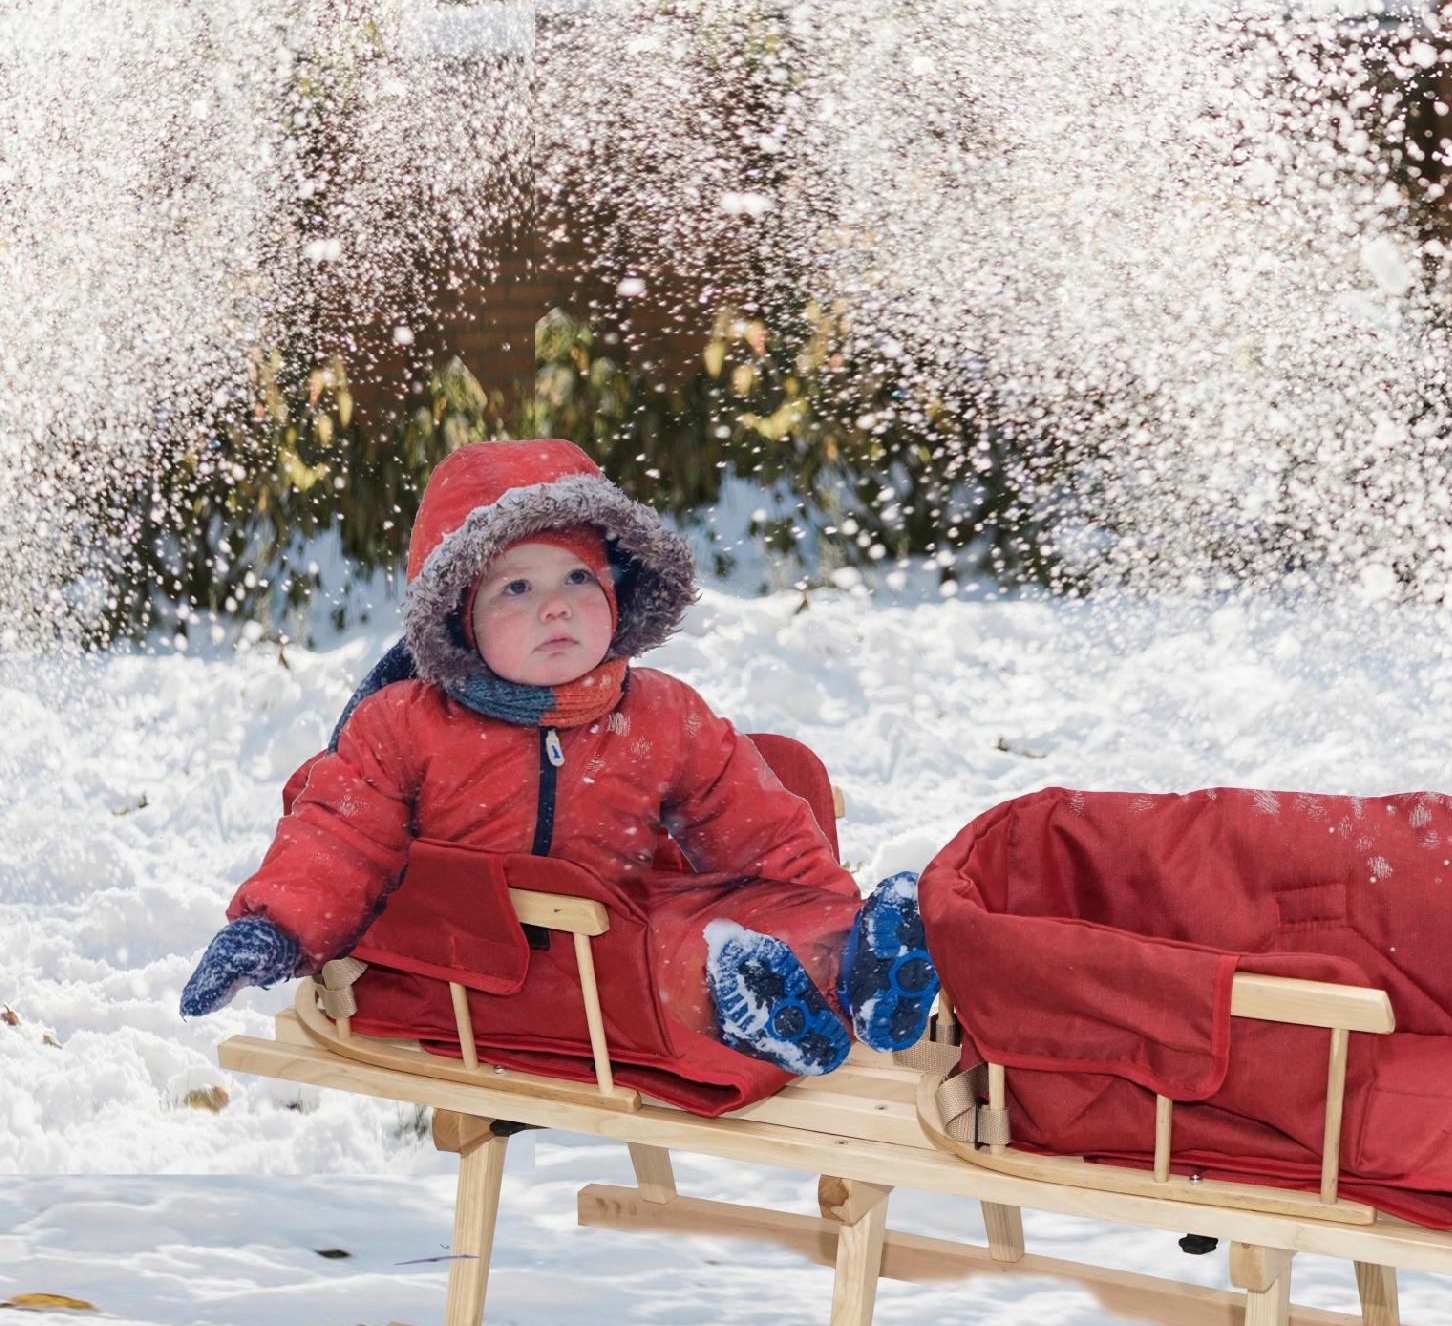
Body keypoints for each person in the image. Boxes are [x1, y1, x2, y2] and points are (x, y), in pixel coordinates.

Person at [177, 437, 936, 1077]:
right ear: (461, 620)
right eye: (516, 587)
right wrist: (271, 931)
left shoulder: (658, 713)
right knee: (659, 955)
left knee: (708, 916)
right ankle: (743, 993)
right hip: (500, 971)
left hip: (630, 914)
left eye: (578, 577)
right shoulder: (403, 726)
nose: (556, 604)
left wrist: (827, 909)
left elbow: (757, 829)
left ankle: (852, 966)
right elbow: (340, 839)